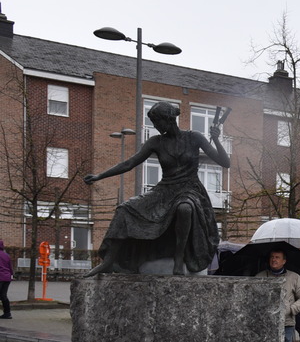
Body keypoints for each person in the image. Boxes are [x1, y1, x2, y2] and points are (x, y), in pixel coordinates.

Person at [83, 102, 229, 276]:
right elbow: (130, 163)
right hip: (164, 190)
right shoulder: (156, 142)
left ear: (168, 119)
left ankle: (179, 258)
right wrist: (100, 176)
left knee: (185, 208)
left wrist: (217, 140)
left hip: (190, 189)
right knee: (124, 209)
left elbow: (225, 163)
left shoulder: (194, 137)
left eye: (157, 122)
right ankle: (108, 261)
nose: (155, 126)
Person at [256, 249, 300, 342]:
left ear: (284, 261)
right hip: (265, 324)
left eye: (277, 257)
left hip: (286, 324)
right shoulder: (260, 277)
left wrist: (290, 309)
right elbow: (252, 298)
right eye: (272, 257)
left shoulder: (294, 277)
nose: (273, 259)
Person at [0, 240, 11, 319]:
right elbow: (10, 267)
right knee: (3, 296)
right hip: (7, 277)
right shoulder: (6, 255)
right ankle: (7, 313)